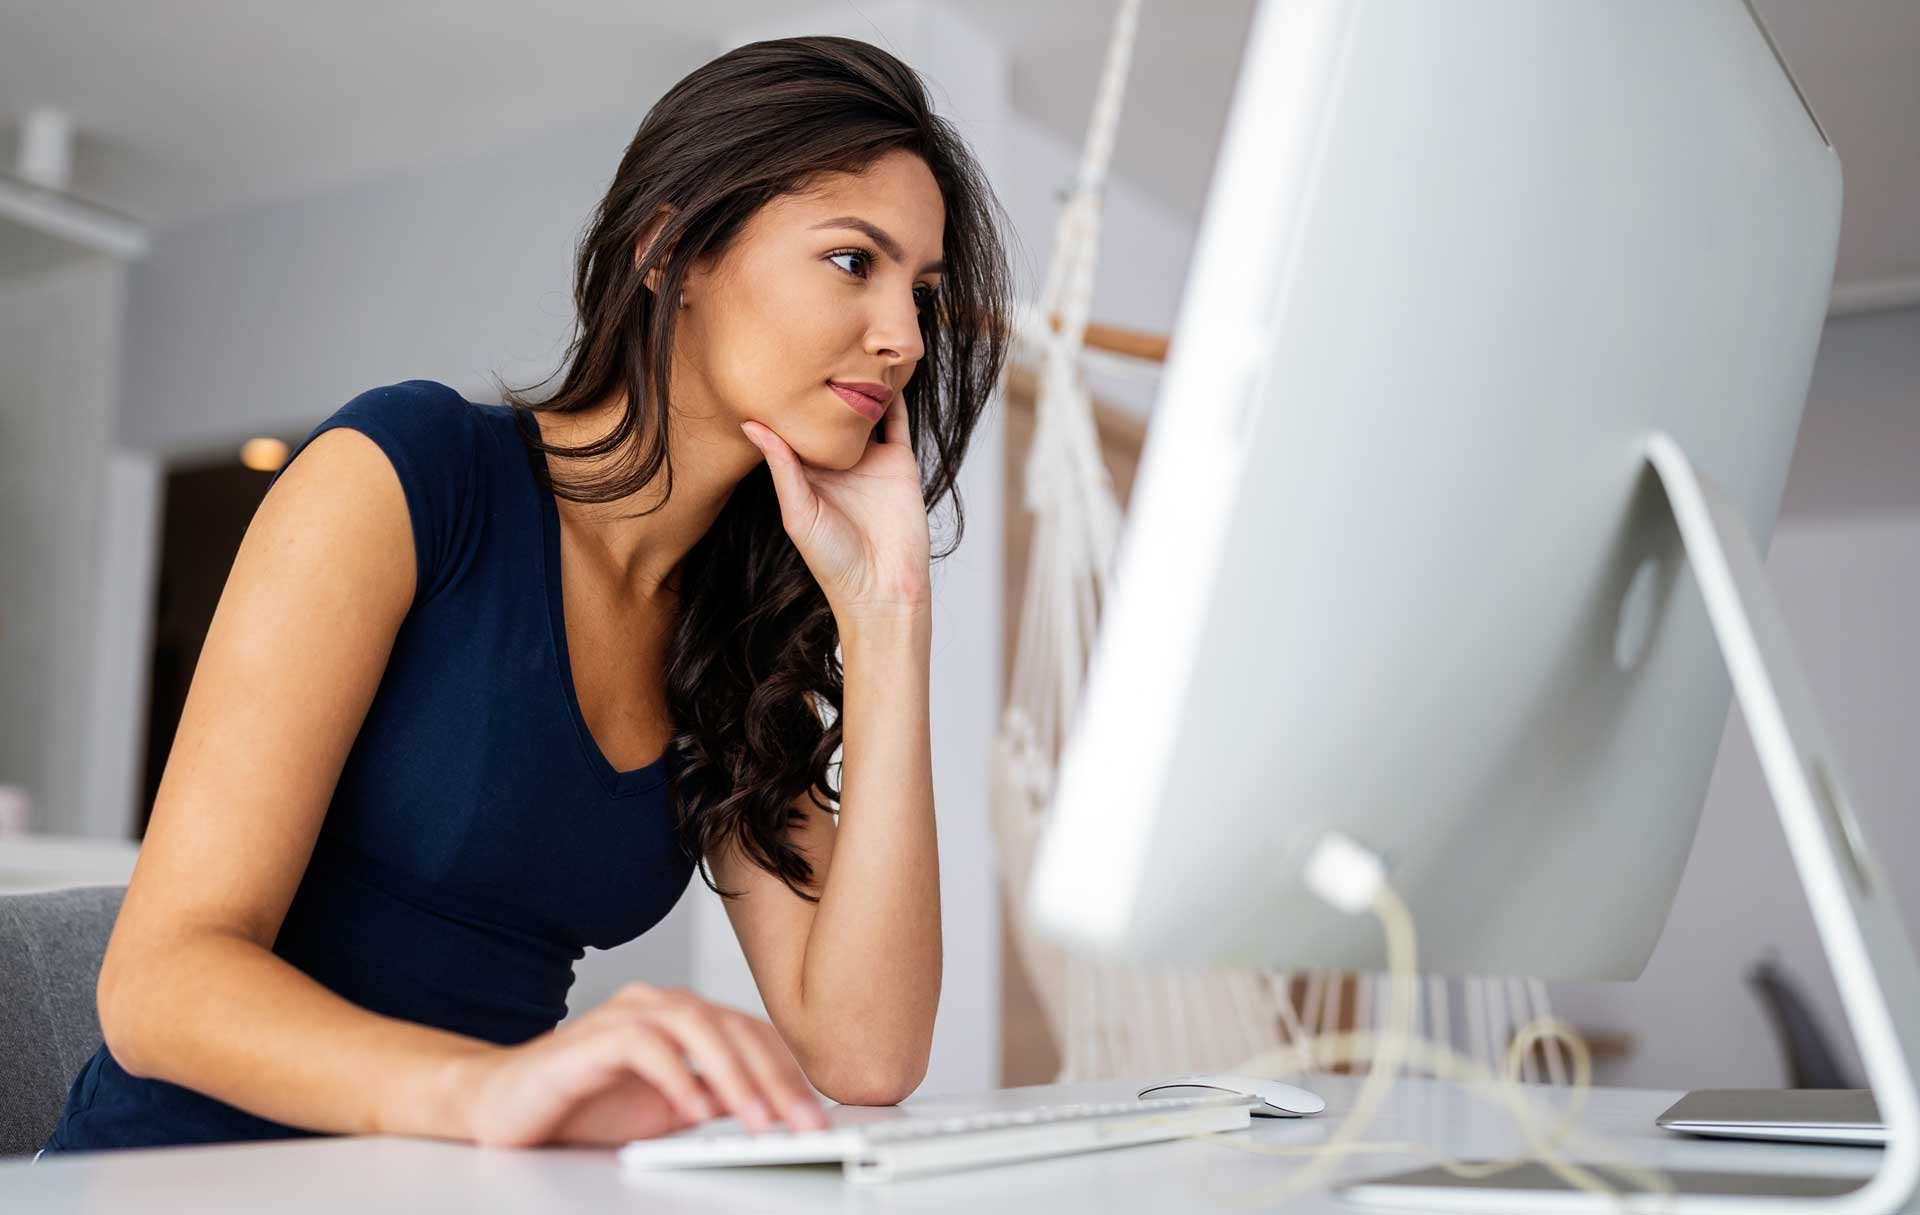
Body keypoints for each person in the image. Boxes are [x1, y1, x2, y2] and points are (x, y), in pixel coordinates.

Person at [39, 34, 1012, 1154]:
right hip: (175, 1175)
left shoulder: (734, 647)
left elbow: (867, 1054)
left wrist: (889, 615)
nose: (903, 339)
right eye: (851, 261)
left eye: (922, 293)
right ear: (670, 251)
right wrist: (488, 1093)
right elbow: (157, 985)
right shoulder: (409, 476)